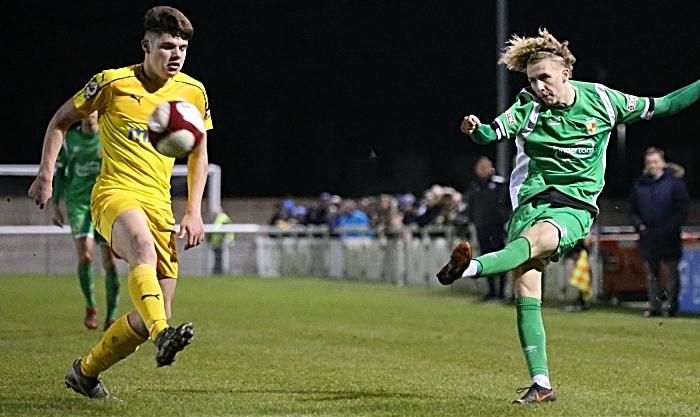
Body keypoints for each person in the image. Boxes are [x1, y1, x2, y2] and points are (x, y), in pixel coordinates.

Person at [435, 28, 700, 404]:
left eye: (544, 77)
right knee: (526, 288)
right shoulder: (527, 106)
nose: (538, 86)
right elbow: (493, 132)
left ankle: (470, 268)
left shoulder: (604, 101)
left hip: (574, 204)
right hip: (530, 201)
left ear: (565, 74)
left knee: (534, 243)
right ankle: (541, 383)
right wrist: (475, 130)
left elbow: (665, 105)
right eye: (531, 79)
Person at [28, 6, 212, 400]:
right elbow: (59, 121)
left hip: (160, 207)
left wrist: (194, 210)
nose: (176, 55)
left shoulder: (193, 93)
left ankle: (85, 373)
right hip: (115, 194)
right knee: (143, 256)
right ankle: (164, 336)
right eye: (166, 46)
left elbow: (199, 153)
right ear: (146, 46)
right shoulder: (112, 83)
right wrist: (46, 173)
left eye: (182, 47)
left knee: (153, 313)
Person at [52, 112, 120, 331]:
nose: (89, 113)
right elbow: (60, 173)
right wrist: (55, 204)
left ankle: (111, 316)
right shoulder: (70, 140)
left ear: (98, 112)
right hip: (79, 204)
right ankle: (91, 307)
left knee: (110, 262)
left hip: (105, 204)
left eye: (93, 109)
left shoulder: (109, 136)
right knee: (87, 255)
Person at [630, 147, 689, 318]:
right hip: (649, 236)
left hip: (669, 236)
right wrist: (639, 226)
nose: (652, 166)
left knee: (671, 273)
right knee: (652, 275)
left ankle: (671, 307)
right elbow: (633, 210)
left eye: (655, 162)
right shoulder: (640, 185)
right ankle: (654, 306)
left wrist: (670, 227)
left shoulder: (675, 184)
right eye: (649, 163)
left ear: (663, 163)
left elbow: (682, 209)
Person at [466, 156, 511, 302]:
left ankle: (501, 292)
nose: (483, 170)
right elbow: (471, 206)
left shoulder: (500, 184)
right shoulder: (475, 186)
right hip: (482, 227)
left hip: (497, 227)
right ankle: (491, 291)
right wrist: (473, 220)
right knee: (486, 258)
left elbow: (507, 203)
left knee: (499, 258)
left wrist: (504, 218)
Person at [207, 206, 234, 275]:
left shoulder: (222, 217)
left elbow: (223, 229)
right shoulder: (218, 218)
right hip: (217, 240)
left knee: (219, 257)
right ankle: (217, 271)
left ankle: (219, 271)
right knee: (218, 257)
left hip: (221, 240)